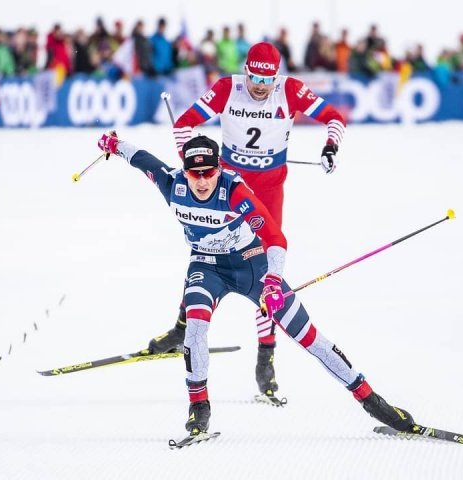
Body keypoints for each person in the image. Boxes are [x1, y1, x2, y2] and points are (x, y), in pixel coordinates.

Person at [97, 132, 415, 436]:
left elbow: (275, 237)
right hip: (206, 266)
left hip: (252, 266)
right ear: (184, 171)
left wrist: (273, 281)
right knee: (196, 326)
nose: (202, 181)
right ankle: (199, 409)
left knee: (308, 337)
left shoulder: (234, 191)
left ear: (219, 168)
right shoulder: (171, 183)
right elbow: (140, 158)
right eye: (195, 174)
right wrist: (113, 144)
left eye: (209, 173)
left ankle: (375, 404)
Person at [150, 41, 346, 403]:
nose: (260, 85)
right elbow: (184, 124)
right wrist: (191, 167)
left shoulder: (290, 89)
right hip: (226, 190)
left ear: (277, 76)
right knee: (206, 252)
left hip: (268, 193)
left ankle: (265, 357)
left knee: (264, 271)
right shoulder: (228, 88)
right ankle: (181, 327)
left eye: (267, 79)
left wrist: (330, 147)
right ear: (246, 72)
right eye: (255, 77)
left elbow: (334, 118)